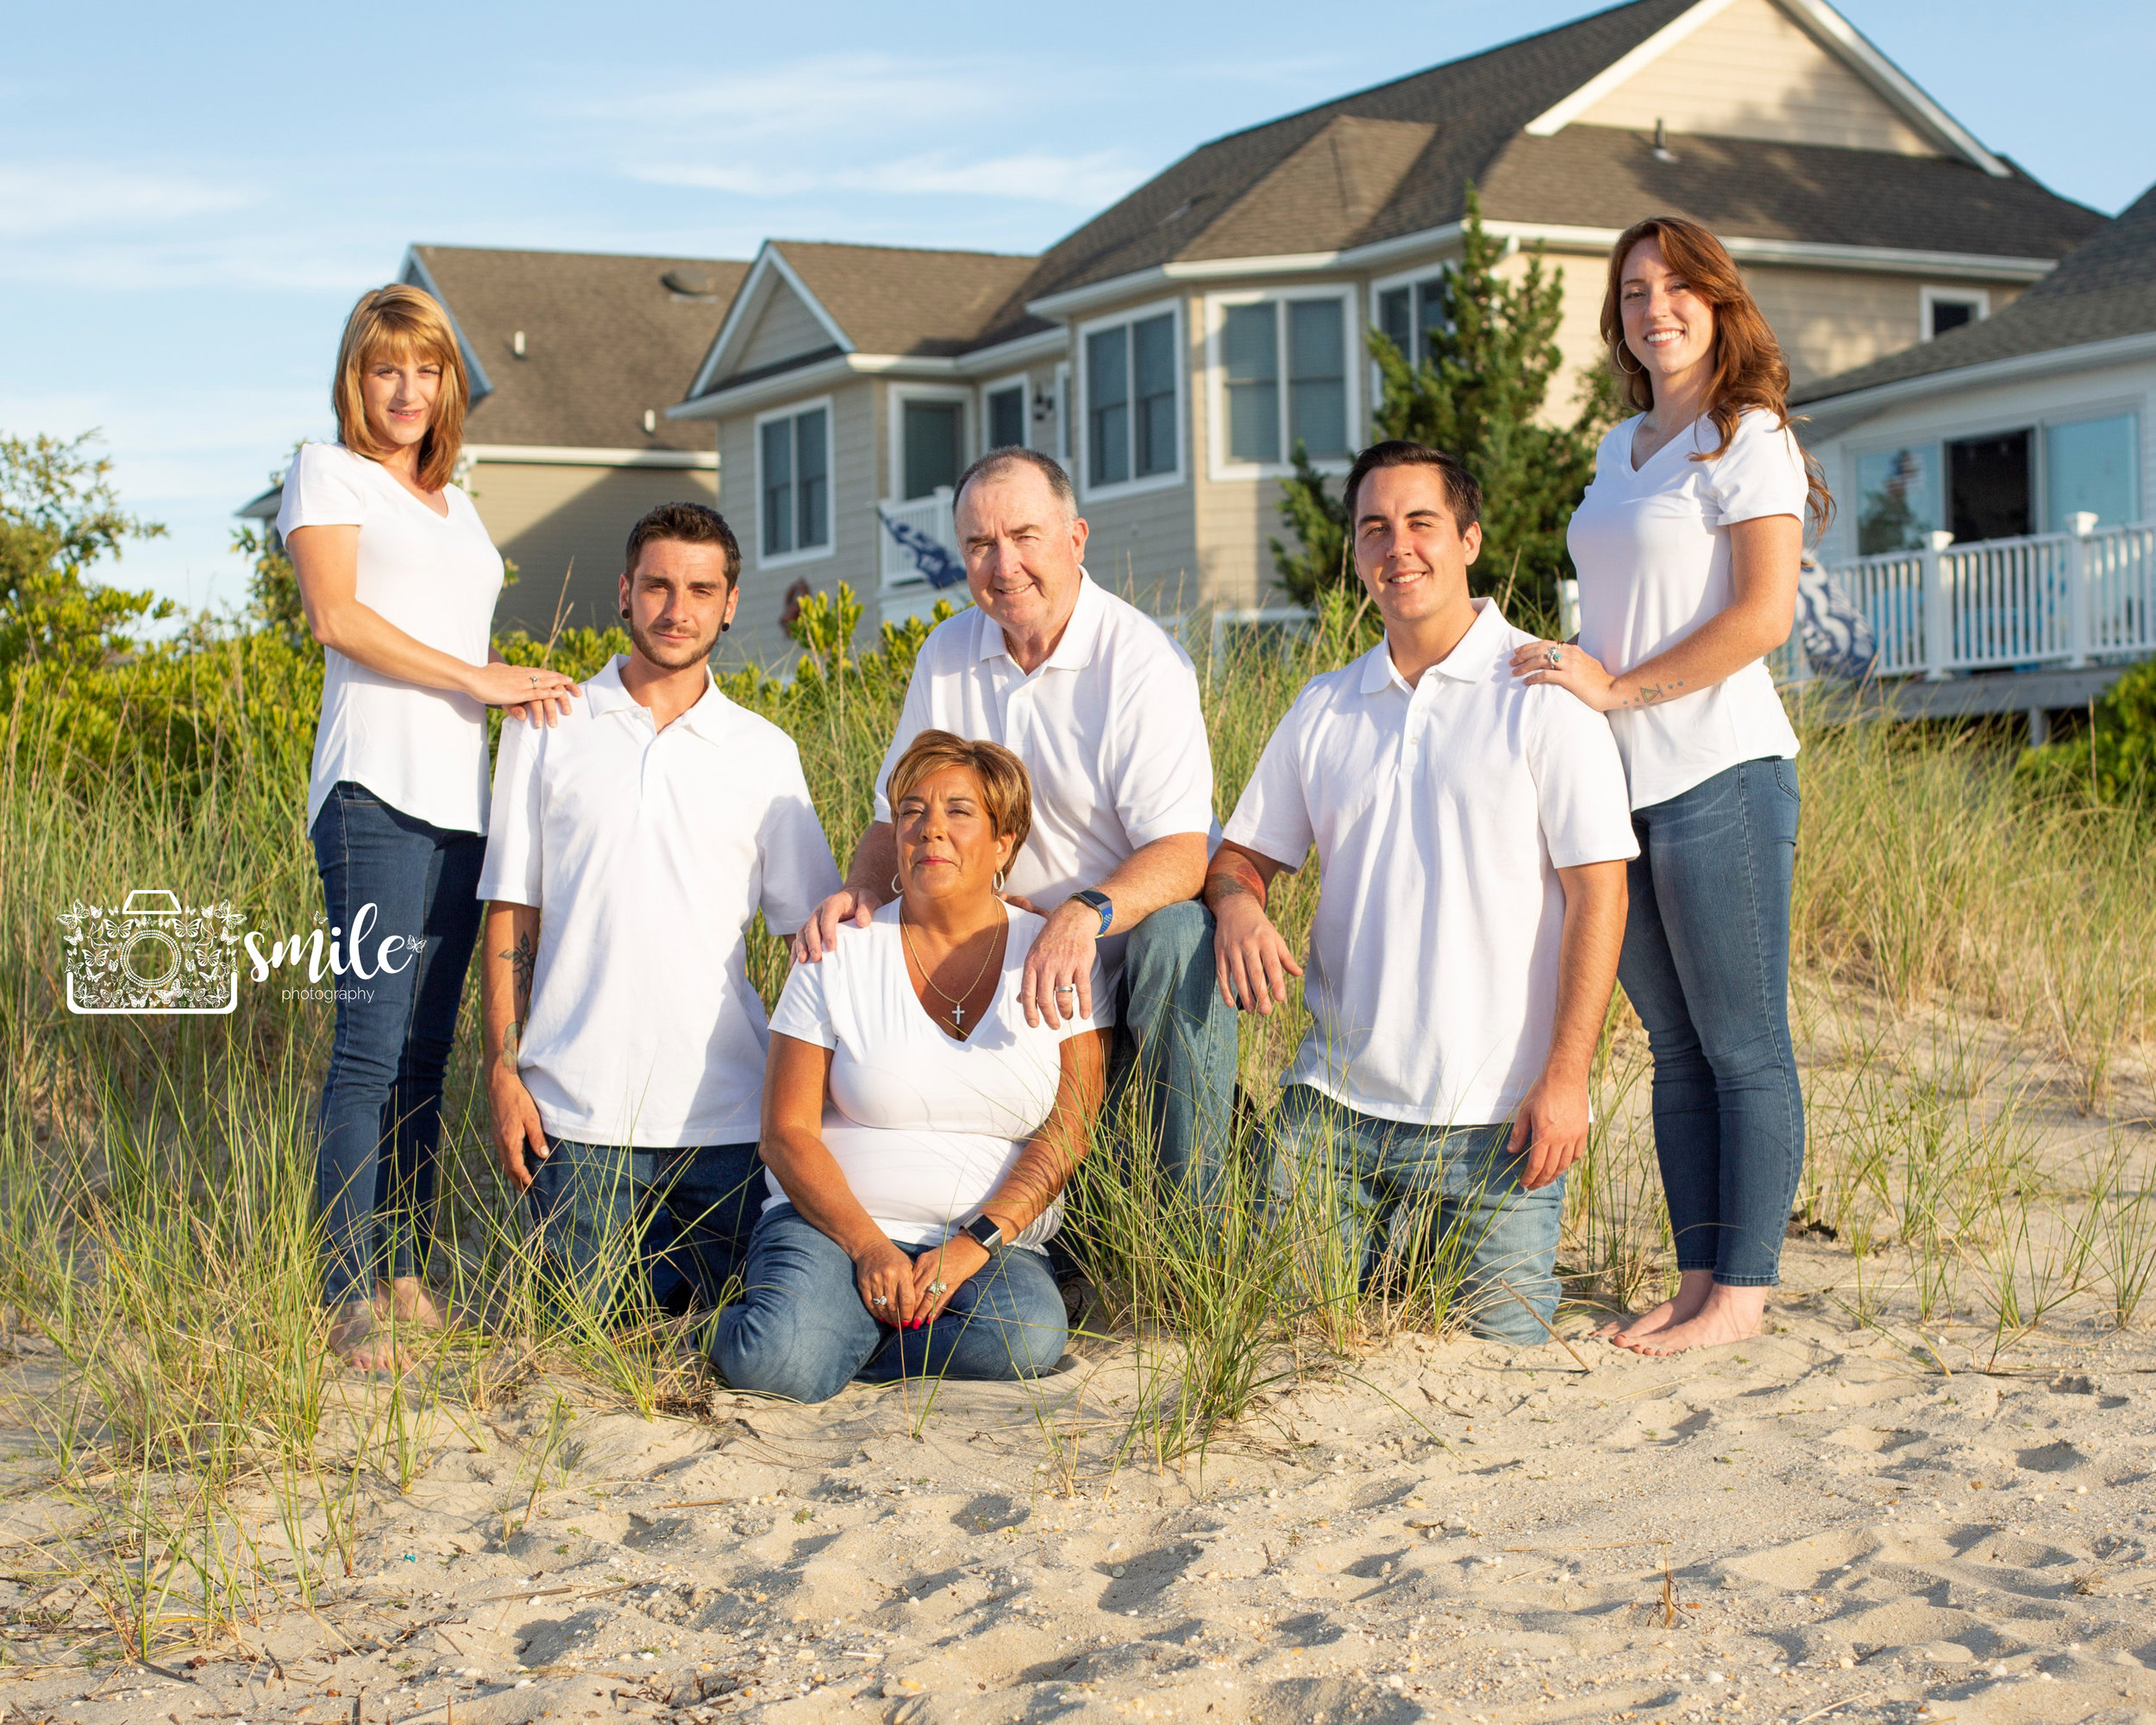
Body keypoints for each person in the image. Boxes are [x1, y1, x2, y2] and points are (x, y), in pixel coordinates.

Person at [1208, 442, 1635, 1344]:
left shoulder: (1543, 687)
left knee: (1499, 1349)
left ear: (1470, 539)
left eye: (1420, 524)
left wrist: (1565, 1078)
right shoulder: (1326, 704)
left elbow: (1600, 893)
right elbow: (1240, 855)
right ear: (1357, 556)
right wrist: (1240, 901)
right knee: (1290, 1334)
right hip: (1333, 1114)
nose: (1396, 547)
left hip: (1498, 1126)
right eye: (1374, 529)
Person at [1509, 216, 1833, 1356]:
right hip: (1622, 789)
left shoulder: (1751, 437)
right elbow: (1618, 615)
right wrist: (1572, 681)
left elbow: (1761, 617)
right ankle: (1698, 1281)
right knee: (1679, 1048)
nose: (1658, 308)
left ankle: (1743, 1294)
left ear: (1720, 300)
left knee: (1746, 1045)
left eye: (1679, 286)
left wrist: (1619, 692)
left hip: (1720, 773)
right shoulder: (1618, 448)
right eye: (1636, 291)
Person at [792, 448, 1230, 1234]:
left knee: (1181, 934)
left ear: (1075, 536)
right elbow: (898, 816)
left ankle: (1178, 1238)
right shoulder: (948, 652)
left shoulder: (1141, 663)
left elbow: (1184, 851)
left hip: (1114, 946)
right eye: (979, 546)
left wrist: (1078, 915)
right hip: (1005, 954)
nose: (1004, 565)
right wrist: (863, 891)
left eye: (1024, 536)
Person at [282, 284, 580, 1368]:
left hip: (464, 803)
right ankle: (343, 1290)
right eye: (384, 369)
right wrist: (478, 679)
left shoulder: (458, 505)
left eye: (426, 369)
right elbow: (339, 618)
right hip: (374, 794)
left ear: (450, 382)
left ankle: (404, 1271)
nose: (407, 389)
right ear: (356, 382)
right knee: (367, 1044)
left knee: (424, 1051)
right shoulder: (329, 472)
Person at [476, 502, 839, 1324]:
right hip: (574, 1121)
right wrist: (504, 1068)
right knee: (578, 1350)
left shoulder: (764, 753)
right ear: (625, 592)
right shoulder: (547, 725)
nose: (678, 610)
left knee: (732, 1343)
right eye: (659, 587)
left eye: (701, 590)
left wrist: (816, 1110)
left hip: (729, 1125)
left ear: (731, 602)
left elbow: (812, 944)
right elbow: (511, 910)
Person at [716, 732, 1106, 1402]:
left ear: (1004, 843)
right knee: (774, 1364)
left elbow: (1070, 1132)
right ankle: (789, 1330)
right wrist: (869, 1249)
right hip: (835, 1228)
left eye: (959, 812)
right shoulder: (840, 948)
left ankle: (847, 1339)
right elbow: (786, 1134)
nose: (930, 830)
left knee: (1027, 1332)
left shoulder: (1052, 960)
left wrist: (971, 1246)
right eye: (912, 812)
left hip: (985, 1250)